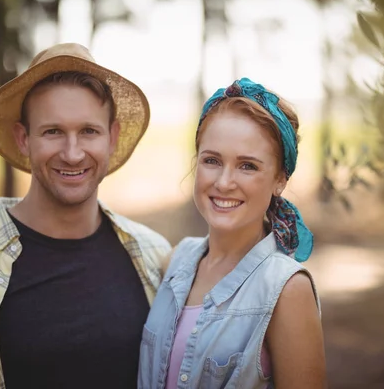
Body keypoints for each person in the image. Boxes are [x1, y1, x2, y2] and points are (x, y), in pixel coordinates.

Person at [0, 43, 171, 389]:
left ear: (112, 137)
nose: (73, 153)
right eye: (53, 131)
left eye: (89, 131)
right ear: (23, 138)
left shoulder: (154, 257)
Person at [138, 78, 326, 389]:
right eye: (212, 160)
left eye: (248, 166)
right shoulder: (176, 261)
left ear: (280, 179)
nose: (224, 182)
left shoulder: (287, 290)